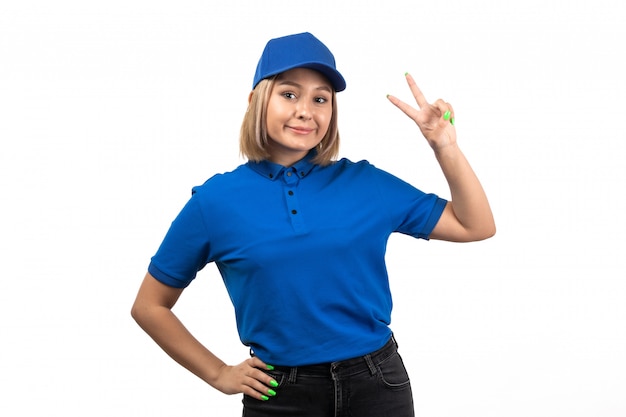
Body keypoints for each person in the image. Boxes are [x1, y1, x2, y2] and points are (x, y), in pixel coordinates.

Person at [131, 32, 495, 417]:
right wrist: (218, 373)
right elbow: (150, 306)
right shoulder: (215, 201)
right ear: (256, 101)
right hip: (280, 394)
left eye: (321, 99)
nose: (306, 110)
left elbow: (475, 225)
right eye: (289, 94)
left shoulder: (366, 184)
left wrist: (445, 147)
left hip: (377, 385)